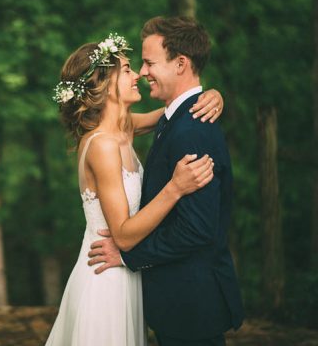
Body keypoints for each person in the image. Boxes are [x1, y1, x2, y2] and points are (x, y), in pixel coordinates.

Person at [45, 32, 224, 345]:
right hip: (106, 278)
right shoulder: (101, 146)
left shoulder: (123, 130)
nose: (137, 74)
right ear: (103, 84)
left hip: (127, 275)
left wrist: (211, 96)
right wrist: (175, 188)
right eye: (126, 69)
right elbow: (124, 235)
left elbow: (174, 114)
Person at [88, 17, 244, 346]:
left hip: (190, 304)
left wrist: (131, 257)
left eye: (147, 63)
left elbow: (196, 228)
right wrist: (211, 93)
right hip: (175, 301)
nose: (142, 73)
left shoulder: (190, 129)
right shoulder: (174, 119)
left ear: (181, 63)